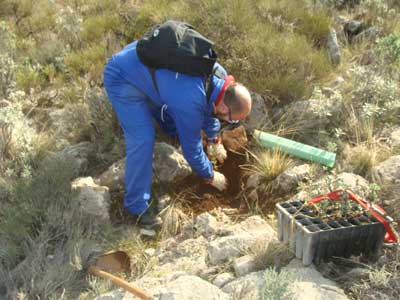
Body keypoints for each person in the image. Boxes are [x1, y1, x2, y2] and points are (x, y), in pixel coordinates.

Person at [103, 40, 252, 228]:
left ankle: (165, 120)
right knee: (143, 139)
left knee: (177, 119)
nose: (230, 123)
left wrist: (215, 139)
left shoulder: (219, 77)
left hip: (146, 68)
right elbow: (192, 148)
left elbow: (209, 103)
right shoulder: (190, 99)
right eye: (231, 119)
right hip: (123, 77)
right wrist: (210, 175)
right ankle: (137, 208)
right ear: (224, 105)